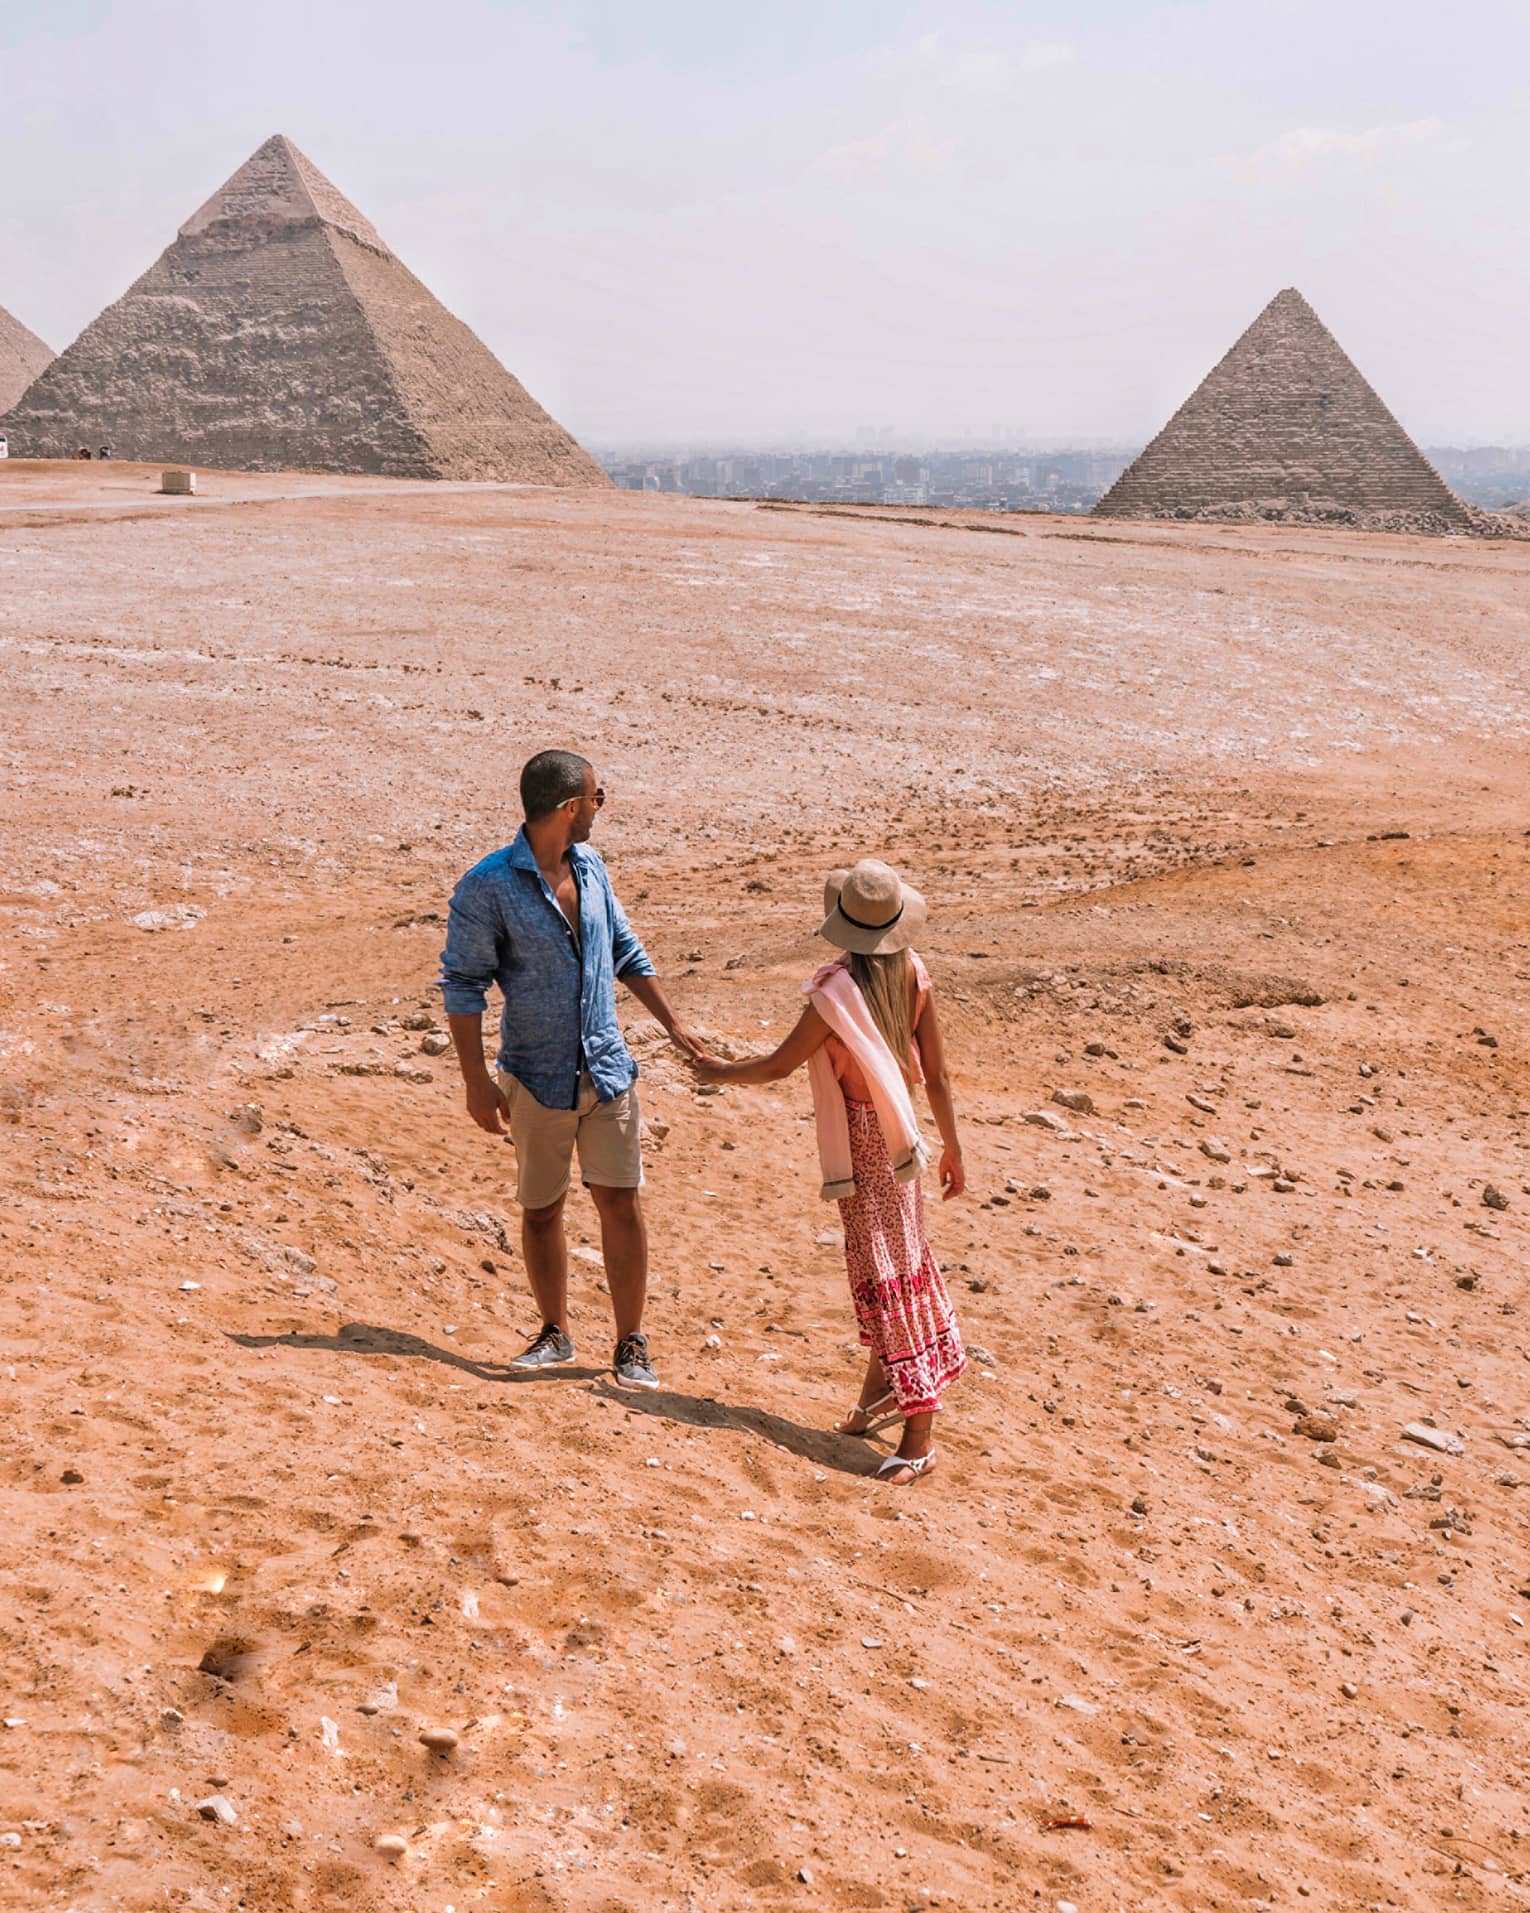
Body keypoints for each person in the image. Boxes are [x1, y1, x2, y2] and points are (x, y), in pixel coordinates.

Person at [689, 859, 966, 1482]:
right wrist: (953, 1148)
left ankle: (920, 1431)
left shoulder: (833, 996)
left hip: (866, 1146)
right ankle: (879, 1396)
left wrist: (720, 1072)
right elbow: (939, 1076)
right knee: (895, 1264)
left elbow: (780, 1066)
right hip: (904, 1142)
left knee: (890, 1275)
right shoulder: (915, 976)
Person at [439, 749, 698, 1388]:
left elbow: (624, 949)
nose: (600, 807)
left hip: (607, 1069)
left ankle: (630, 1342)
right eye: (596, 797)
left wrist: (673, 1024)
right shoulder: (488, 886)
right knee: (542, 1208)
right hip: (535, 1074)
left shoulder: (592, 865)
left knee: (620, 1201)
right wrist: (475, 1079)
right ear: (569, 808)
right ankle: (554, 1332)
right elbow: (463, 985)